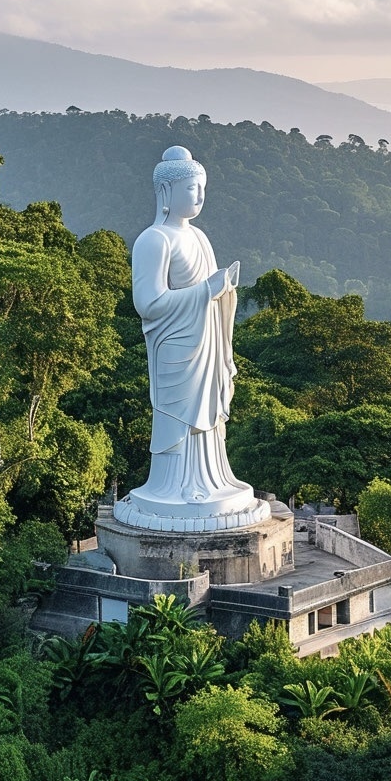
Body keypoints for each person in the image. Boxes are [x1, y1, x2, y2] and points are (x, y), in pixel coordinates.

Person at [115, 146, 268, 531]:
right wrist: (206, 291)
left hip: (206, 342)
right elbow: (148, 304)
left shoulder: (199, 236)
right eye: (190, 188)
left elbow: (210, 289)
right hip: (176, 347)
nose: (199, 196)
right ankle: (171, 487)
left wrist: (221, 290)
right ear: (166, 191)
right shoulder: (153, 240)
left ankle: (212, 479)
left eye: (202, 188)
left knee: (209, 423)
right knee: (175, 421)